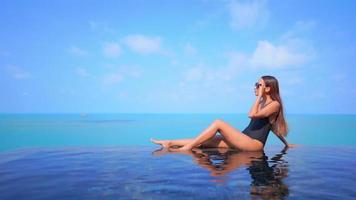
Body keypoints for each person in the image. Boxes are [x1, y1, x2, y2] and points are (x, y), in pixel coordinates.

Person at [151, 75, 297, 151]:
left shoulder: (274, 104)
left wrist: (258, 97)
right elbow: (272, 127)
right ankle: (170, 142)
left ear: (268, 88)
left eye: (258, 85)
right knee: (205, 142)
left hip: (253, 144)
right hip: (244, 139)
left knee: (218, 123)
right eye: (256, 84)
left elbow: (252, 115)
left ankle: (187, 148)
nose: (255, 87)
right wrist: (286, 144)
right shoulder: (265, 103)